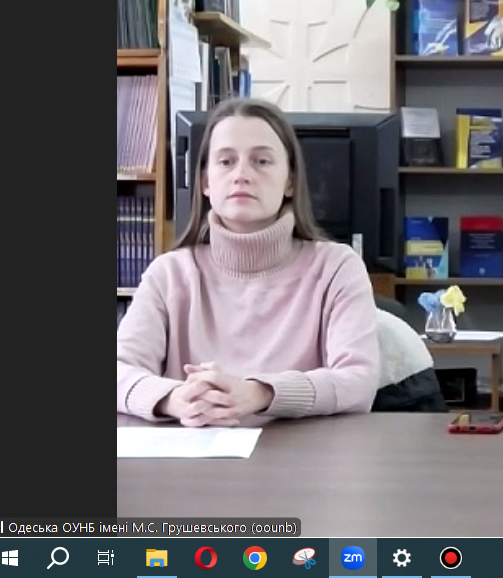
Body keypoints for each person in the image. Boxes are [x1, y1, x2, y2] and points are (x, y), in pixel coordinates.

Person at [117, 98, 381, 426]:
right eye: (226, 161)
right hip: (192, 454)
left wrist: (260, 393)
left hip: (301, 454)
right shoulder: (169, 274)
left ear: (290, 181)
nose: (241, 175)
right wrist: (175, 399)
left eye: (262, 161)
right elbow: (120, 369)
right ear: (206, 182)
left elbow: (358, 380)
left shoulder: (336, 268)